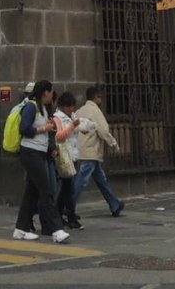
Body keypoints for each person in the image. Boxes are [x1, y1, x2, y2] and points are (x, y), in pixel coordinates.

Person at [12, 79, 69, 244]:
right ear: (45, 92)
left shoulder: (44, 108)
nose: (52, 95)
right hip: (30, 153)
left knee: (32, 192)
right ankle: (57, 229)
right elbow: (25, 129)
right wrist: (44, 129)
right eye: (51, 92)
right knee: (46, 189)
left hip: (39, 152)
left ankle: (20, 229)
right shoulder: (31, 107)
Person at [73, 85, 124, 217]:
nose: (101, 100)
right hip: (91, 150)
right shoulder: (95, 111)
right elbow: (103, 130)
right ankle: (68, 206)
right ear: (96, 97)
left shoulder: (80, 110)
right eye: (100, 97)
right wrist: (113, 142)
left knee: (101, 179)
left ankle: (114, 204)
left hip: (83, 149)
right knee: (82, 180)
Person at [53, 91, 86, 230]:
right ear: (63, 106)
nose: (72, 109)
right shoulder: (57, 118)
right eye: (69, 106)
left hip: (73, 155)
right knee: (69, 189)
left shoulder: (71, 116)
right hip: (64, 157)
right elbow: (60, 136)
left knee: (66, 189)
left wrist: (82, 127)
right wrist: (73, 125)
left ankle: (59, 214)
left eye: (73, 106)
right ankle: (71, 217)